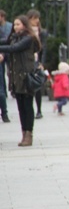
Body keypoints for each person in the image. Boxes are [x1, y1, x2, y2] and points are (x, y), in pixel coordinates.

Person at [0, 15, 42, 146]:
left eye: (18, 24)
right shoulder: (14, 37)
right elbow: (6, 42)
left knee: (27, 106)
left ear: (24, 25)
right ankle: (24, 133)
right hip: (16, 78)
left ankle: (29, 133)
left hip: (26, 77)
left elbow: (14, 48)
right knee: (20, 108)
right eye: (14, 24)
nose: (15, 27)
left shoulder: (28, 38)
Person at [26, 9, 47, 119]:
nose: (37, 21)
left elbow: (44, 49)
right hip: (27, 61)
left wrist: (42, 63)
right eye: (34, 18)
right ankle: (30, 110)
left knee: (38, 86)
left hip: (37, 61)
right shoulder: (26, 32)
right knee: (28, 87)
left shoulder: (41, 32)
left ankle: (39, 110)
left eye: (38, 18)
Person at [0, 9, 13, 122]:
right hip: (1, 54)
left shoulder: (10, 26)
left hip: (10, 52)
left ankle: (11, 88)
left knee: (10, 72)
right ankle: (4, 113)